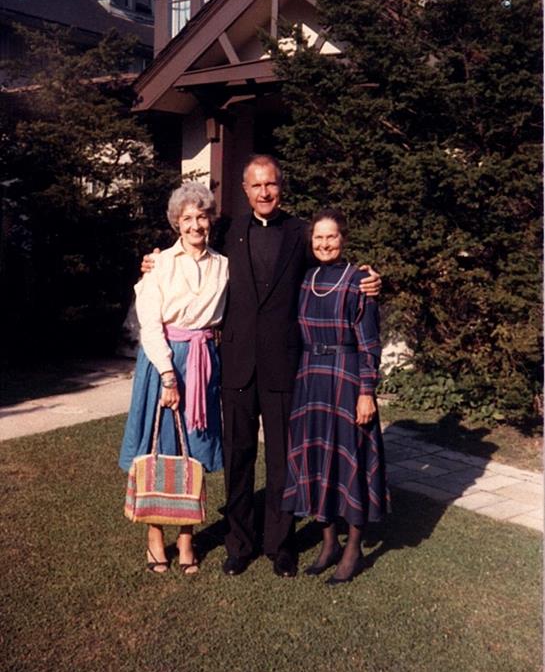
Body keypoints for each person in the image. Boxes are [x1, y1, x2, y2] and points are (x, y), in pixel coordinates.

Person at [141, 155, 381, 578]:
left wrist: (368, 277)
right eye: (256, 186)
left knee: (282, 460)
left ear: (280, 187)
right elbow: (191, 247)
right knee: (238, 457)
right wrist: (153, 260)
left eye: (271, 184)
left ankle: (280, 545)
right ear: (244, 190)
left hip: (285, 366)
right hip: (235, 363)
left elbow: (331, 266)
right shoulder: (228, 230)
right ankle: (239, 543)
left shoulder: (300, 232)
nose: (264, 192)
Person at [119, 182, 228, 574]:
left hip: (202, 364)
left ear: (210, 220)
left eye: (202, 216)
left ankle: (186, 539)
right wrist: (167, 374)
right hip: (162, 362)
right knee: (158, 451)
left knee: (192, 454)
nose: (196, 224)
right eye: (187, 218)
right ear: (176, 224)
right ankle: (153, 539)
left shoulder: (223, 264)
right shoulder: (160, 262)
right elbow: (150, 322)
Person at [282, 208, 389, 585]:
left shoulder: (359, 280)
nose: (324, 244)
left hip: (345, 380)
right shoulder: (306, 279)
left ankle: (353, 549)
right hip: (310, 379)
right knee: (316, 460)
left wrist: (366, 392)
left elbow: (370, 343)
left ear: (343, 239)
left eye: (331, 237)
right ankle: (327, 542)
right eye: (318, 238)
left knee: (350, 463)